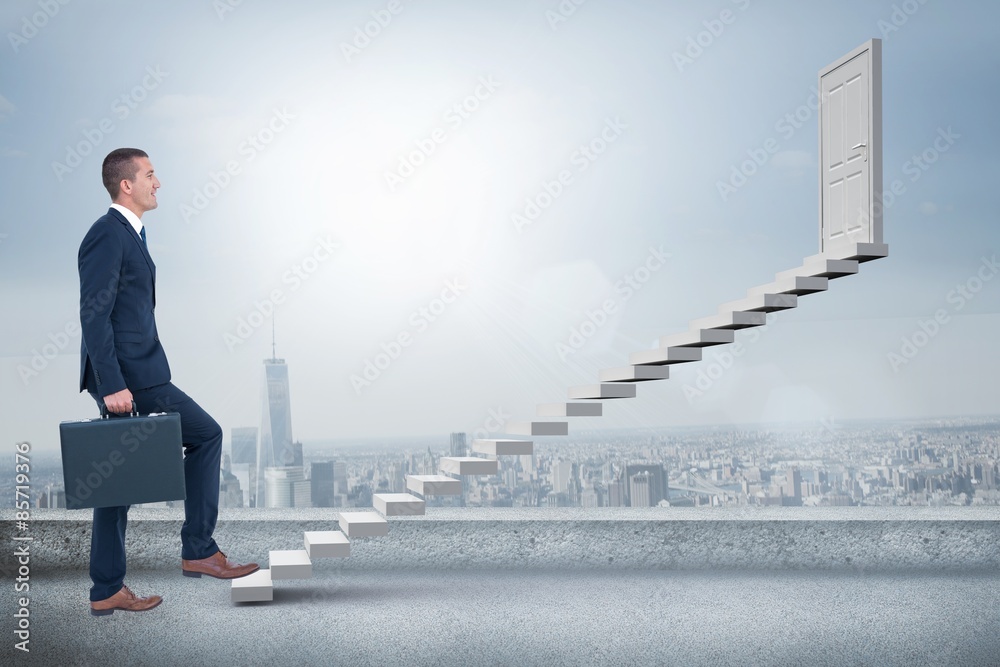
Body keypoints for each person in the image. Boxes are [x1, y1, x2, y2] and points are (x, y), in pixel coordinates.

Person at [79, 148, 259, 617]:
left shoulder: (132, 234)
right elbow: (94, 316)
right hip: (132, 379)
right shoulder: (107, 235)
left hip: (139, 374)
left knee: (116, 483)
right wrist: (113, 383)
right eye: (151, 175)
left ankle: (107, 590)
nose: (158, 183)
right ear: (126, 185)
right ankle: (197, 549)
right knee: (207, 435)